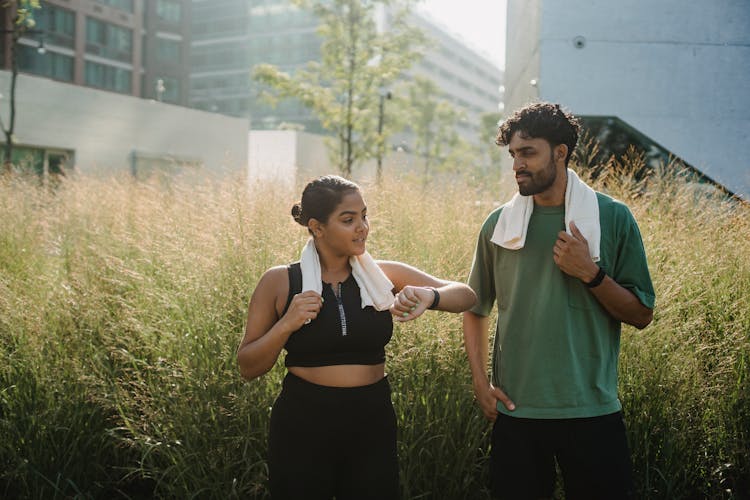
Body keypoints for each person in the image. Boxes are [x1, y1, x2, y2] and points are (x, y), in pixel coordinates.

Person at [237, 175, 476, 500]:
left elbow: (465, 295)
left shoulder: (382, 275)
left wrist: (429, 296)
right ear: (317, 227)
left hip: (371, 420)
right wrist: (286, 324)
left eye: (364, 215)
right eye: (348, 220)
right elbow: (248, 366)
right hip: (303, 423)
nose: (362, 226)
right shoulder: (280, 282)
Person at [463, 102, 656, 499]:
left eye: (528, 152)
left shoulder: (613, 218)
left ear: (561, 152)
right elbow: (475, 307)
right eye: (513, 154)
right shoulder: (499, 225)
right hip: (516, 412)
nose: (517, 164)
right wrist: (481, 383)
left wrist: (592, 273)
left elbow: (641, 314)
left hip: (593, 412)